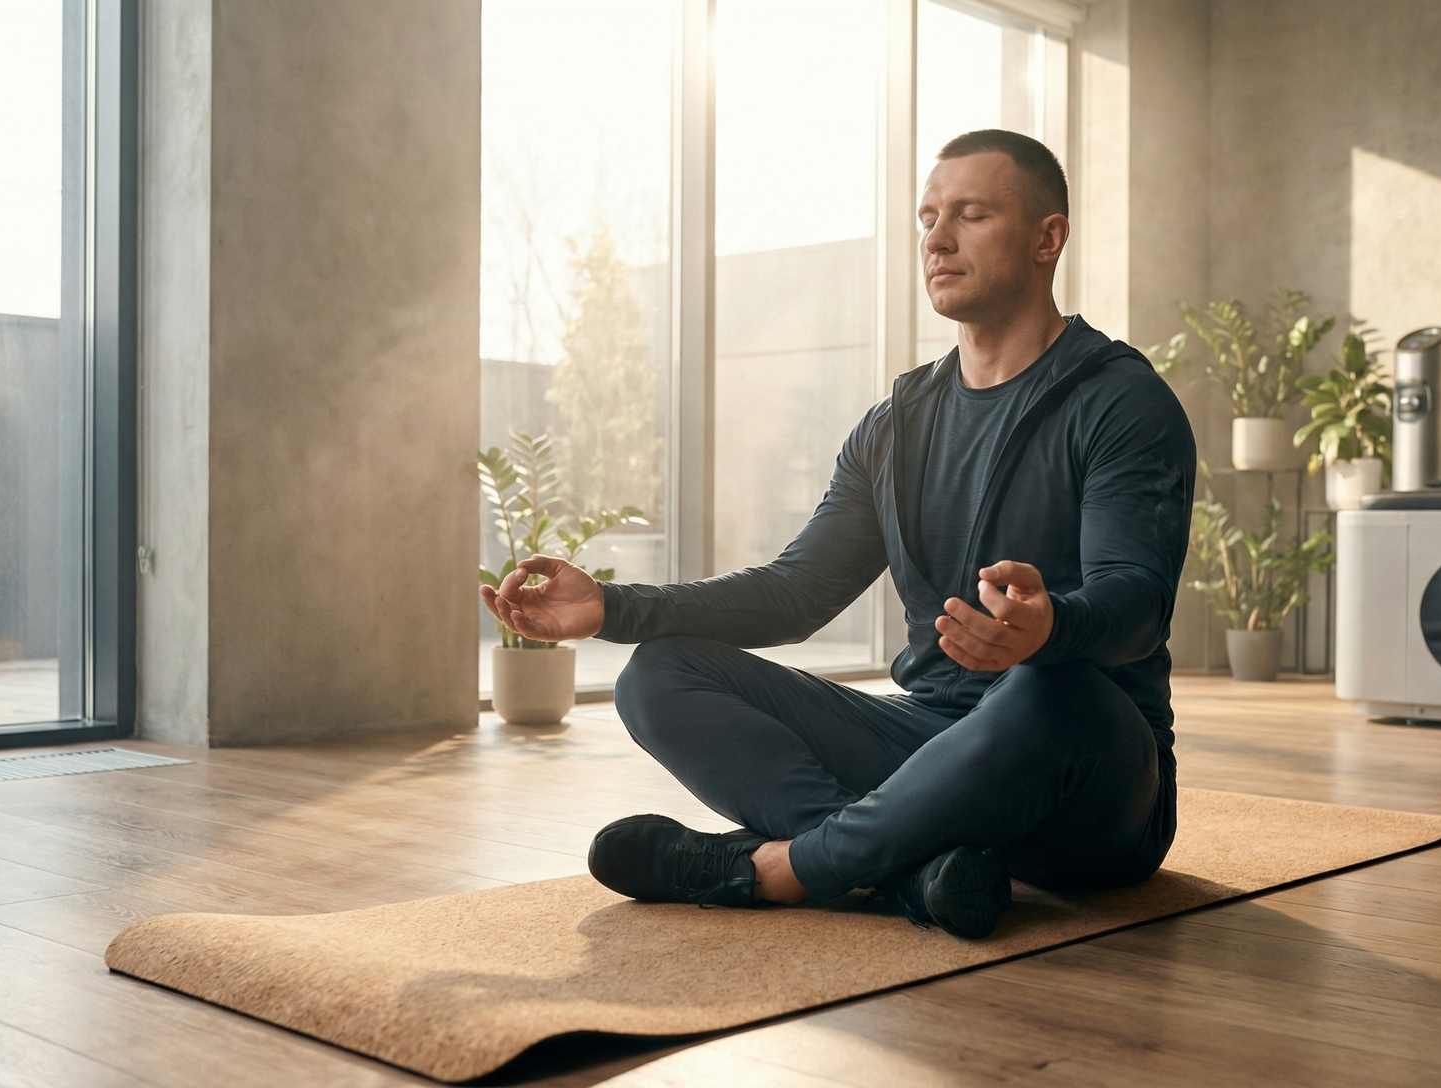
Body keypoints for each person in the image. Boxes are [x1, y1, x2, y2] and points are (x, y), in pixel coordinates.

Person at [481, 129, 1195, 940]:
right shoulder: (896, 425)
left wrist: (1049, 627)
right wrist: (611, 607)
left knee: (1050, 687)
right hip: (927, 740)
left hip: (1087, 780)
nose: (937, 238)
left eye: (970, 215)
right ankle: (909, 875)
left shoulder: (1117, 401)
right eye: (928, 217)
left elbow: (1137, 604)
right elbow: (797, 593)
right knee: (657, 673)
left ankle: (781, 870)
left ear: (1046, 237)